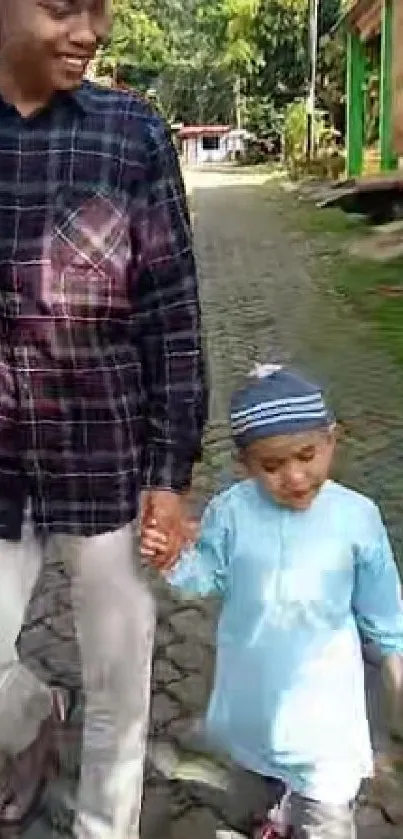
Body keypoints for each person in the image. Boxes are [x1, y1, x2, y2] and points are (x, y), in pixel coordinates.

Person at [0, 0, 206, 836]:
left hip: (107, 461)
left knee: (120, 689)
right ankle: (31, 713)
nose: (90, 30)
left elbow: (173, 311)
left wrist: (170, 472)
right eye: (62, 6)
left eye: (100, 8)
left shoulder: (131, 132)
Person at [141, 363, 403, 839]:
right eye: (272, 466)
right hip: (254, 694)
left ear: (331, 440)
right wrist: (173, 561)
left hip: (326, 705)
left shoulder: (356, 517)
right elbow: (208, 575)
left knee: (326, 813)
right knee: (258, 779)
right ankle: (276, 814)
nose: (296, 477)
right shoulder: (231, 511)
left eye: (307, 456)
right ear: (245, 463)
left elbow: (381, 599)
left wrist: (393, 658)